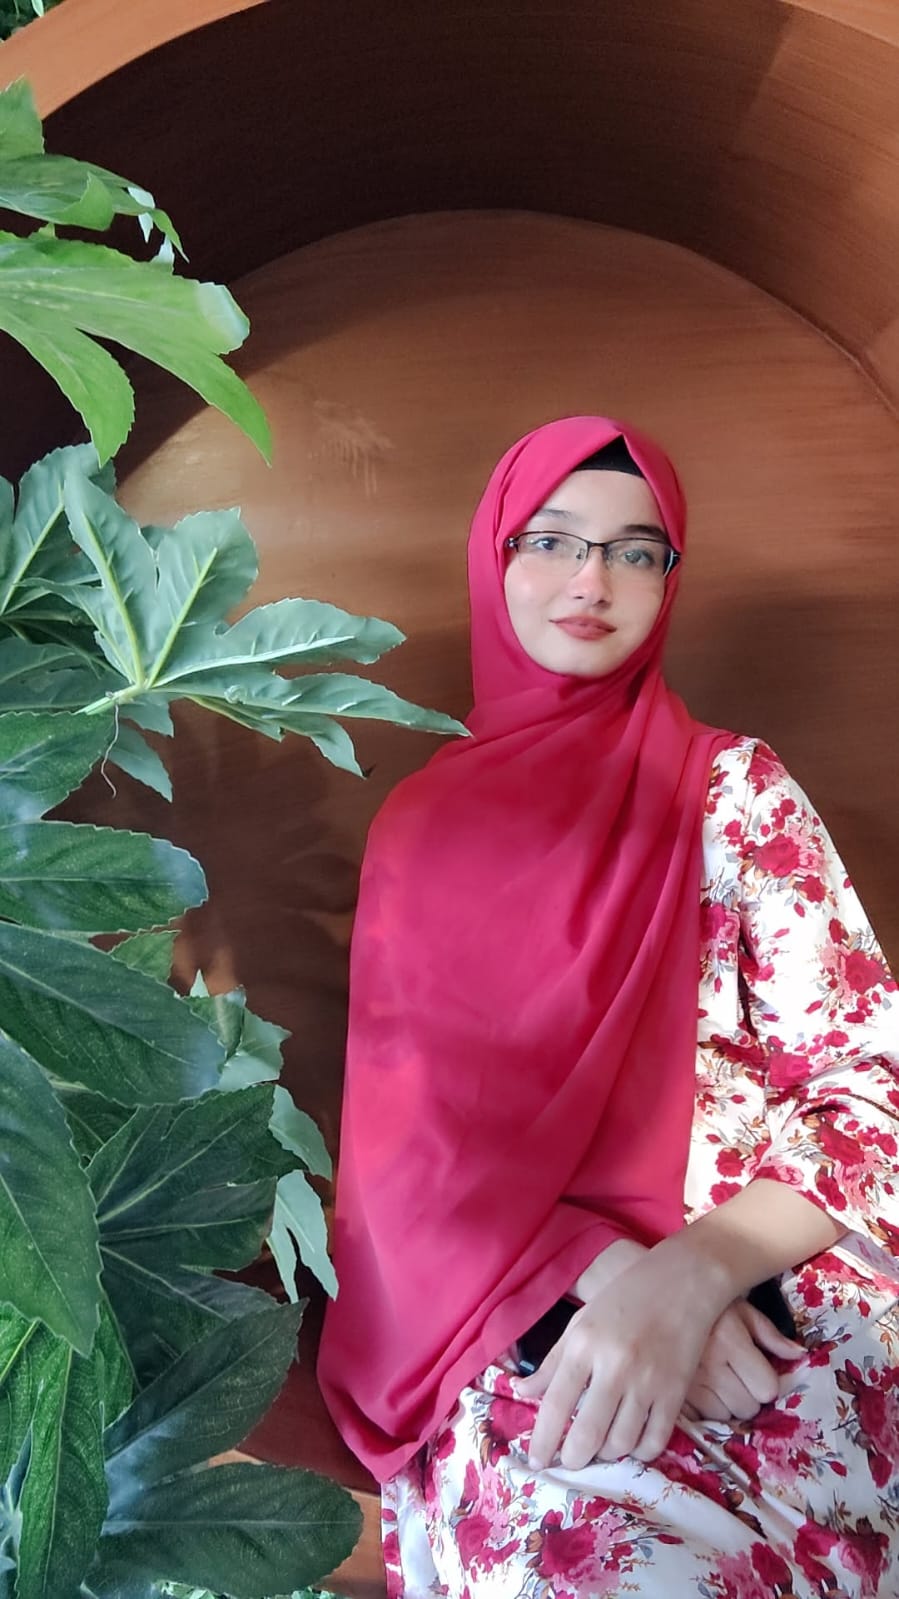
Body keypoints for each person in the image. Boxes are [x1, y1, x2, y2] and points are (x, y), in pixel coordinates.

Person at [318, 417, 899, 1598]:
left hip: (780, 1287)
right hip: (509, 1300)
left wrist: (696, 1272)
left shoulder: (731, 790)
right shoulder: (420, 829)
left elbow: (868, 1082)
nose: (591, 582)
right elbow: (405, 1157)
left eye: (635, 552)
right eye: (551, 540)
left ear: (668, 579)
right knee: (577, 1550)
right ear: (492, 557)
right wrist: (608, 1277)